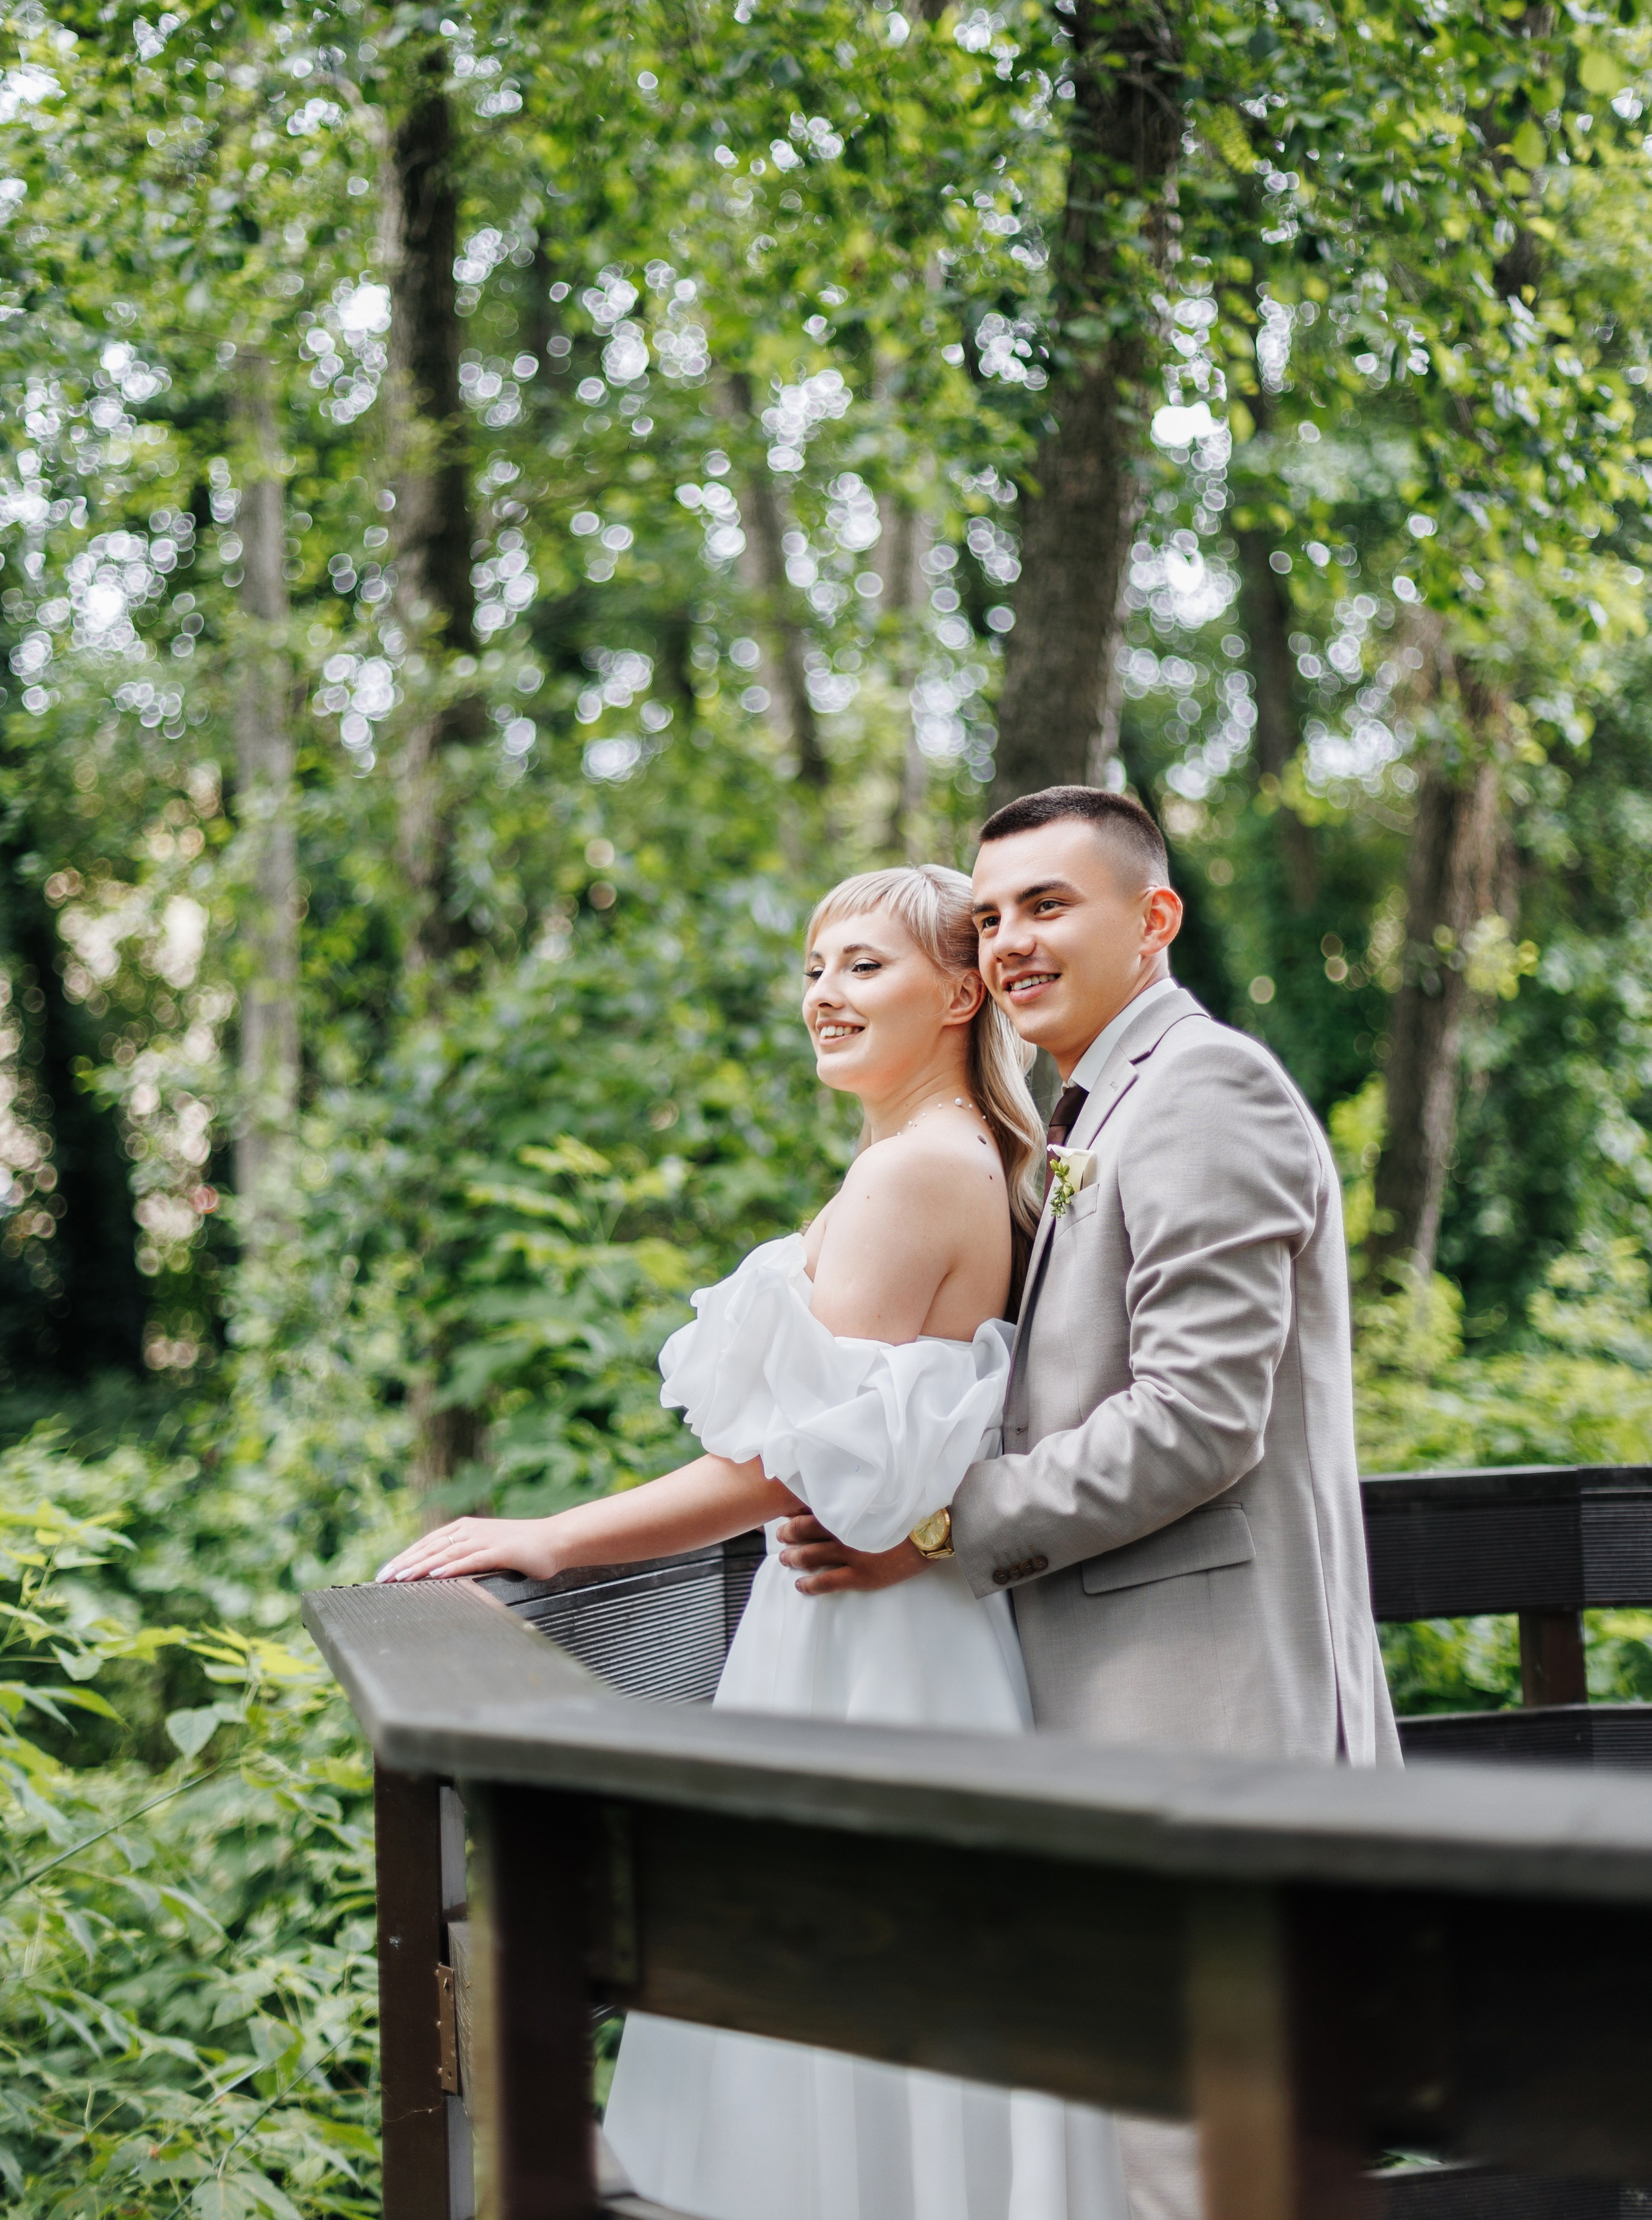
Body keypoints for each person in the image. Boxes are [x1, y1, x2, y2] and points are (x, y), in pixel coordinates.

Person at [378, 860, 1133, 2220]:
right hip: (874, 1623)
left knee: (838, 1983)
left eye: (862, 967)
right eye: (812, 968)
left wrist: (548, 1540)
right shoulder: (926, 1156)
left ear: (959, 993)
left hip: (872, 1646)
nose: (822, 997)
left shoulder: (918, 1172)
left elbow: (775, 1468)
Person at [776, 787, 1402, 2220]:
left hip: (1211, 1710)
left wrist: (937, 1526)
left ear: (1154, 918)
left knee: (1211, 2159)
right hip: (1113, 1708)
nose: (1009, 944)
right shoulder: (1096, 1102)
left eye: (1048, 906)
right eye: (991, 917)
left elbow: (1195, 1422)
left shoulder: (1205, 1090)